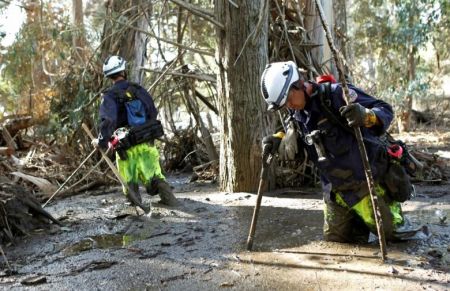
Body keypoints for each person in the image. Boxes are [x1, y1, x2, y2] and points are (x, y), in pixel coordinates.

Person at [260, 61, 428, 243]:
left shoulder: (337, 95)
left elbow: (385, 109)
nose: (289, 106)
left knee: (396, 237)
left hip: (367, 184)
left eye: (289, 100)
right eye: (284, 104)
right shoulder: (297, 113)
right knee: (337, 243)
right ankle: (357, 225)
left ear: (298, 85)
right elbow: (293, 131)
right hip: (335, 192)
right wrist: (278, 138)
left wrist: (367, 116)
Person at [92, 55, 178, 209]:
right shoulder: (138, 89)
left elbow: (108, 121)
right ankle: (171, 201)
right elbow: (152, 111)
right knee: (155, 176)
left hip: (125, 147)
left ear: (109, 76)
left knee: (129, 181)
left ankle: (137, 208)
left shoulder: (109, 96)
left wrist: (101, 141)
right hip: (146, 142)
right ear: (123, 71)